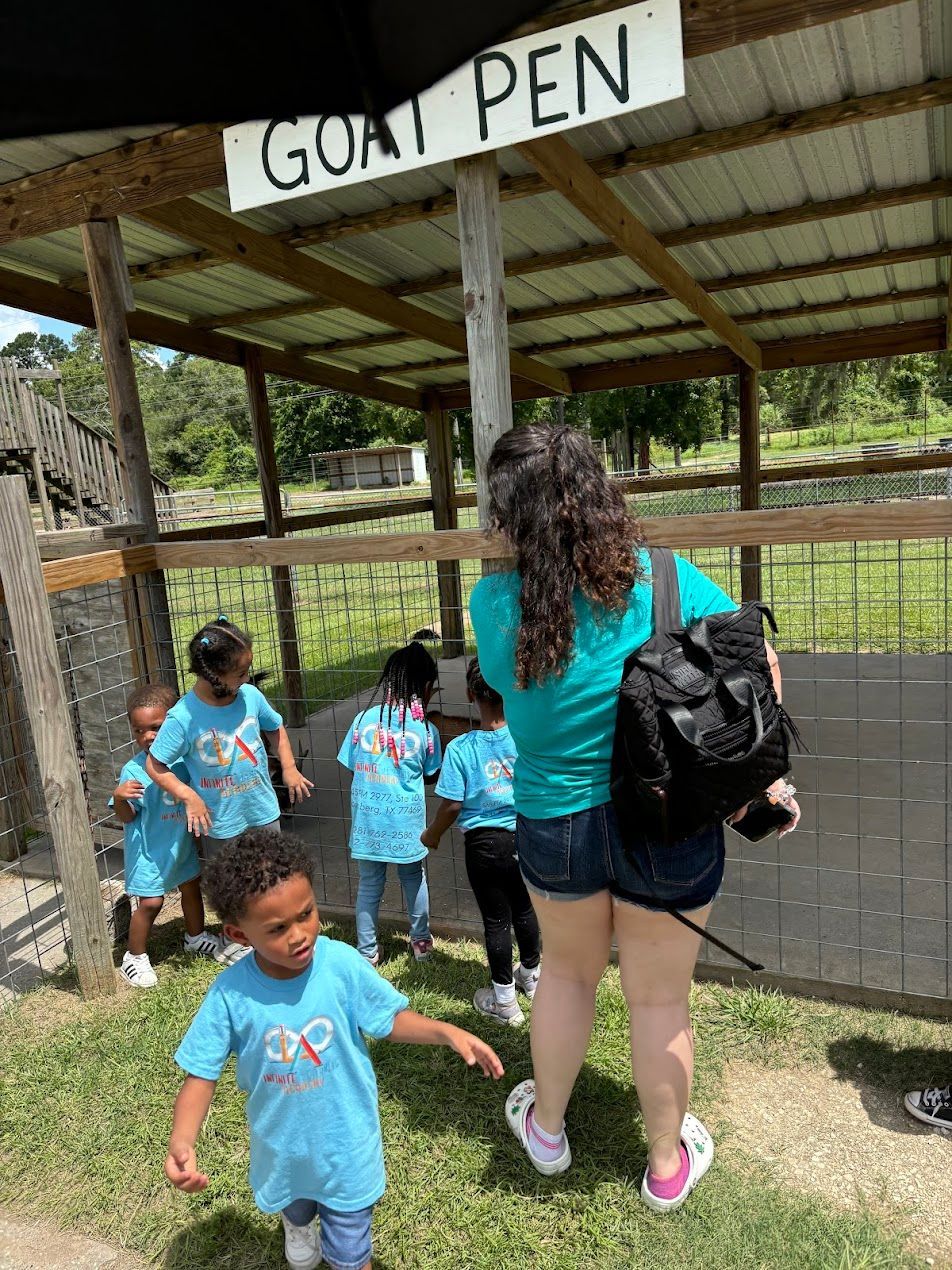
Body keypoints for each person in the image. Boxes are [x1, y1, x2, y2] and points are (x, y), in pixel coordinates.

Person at [470, 423, 800, 1212]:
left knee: (567, 978)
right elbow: (758, 661)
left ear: (511, 510)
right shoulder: (665, 576)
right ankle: (663, 1167)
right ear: (597, 490)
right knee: (659, 999)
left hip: (553, 822)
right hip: (667, 818)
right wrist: (759, 776)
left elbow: (500, 684)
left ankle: (546, 1128)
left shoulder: (493, 601)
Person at [165, 829, 503, 1270]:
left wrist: (446, 1031)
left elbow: (388, 1019)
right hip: (281, 1147)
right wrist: (182, 1140)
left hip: (347, 1145)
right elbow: (201, 1073)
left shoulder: (341, 963)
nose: (300, 934)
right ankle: (299, 1226)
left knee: (350, 1251)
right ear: (238, 934)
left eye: (306, 914)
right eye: (278, 928)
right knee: (297, 1202)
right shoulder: (231, 994)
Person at [421, 657, 541, 1026]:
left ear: (470, 694)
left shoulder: (461, 749)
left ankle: (504, 1001)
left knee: (495, 920)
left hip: (484, 846)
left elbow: (452, 805)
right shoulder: (527, 736)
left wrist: (432, 833)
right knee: (525, 909)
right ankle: (533, 979)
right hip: (525, 836)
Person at [146, 617, 312, 855]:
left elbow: (275, 729)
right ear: (213, 675)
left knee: (273, 882)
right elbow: (155, 765)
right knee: (230, 887)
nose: (246, 679)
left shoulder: (250, 696)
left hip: (263, 813)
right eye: (241, 673)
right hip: (222, 825)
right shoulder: (183, 717)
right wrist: (188, 796)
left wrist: (289, 767)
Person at [111, 683, 238, 986]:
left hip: (180, 848)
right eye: (139, 730)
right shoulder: (134, 770)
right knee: (151, 903)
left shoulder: (183, 762)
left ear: (172, 723)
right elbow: (127, 818)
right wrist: (118, 798)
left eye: (155, 728)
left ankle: (195, 938)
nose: (147, 737)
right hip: (149, 855)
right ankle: (134, 957)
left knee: (192, 889)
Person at [337, 642, 442, 964]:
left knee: (369, 885)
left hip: (368, 824)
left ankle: (367, 952)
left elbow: (352, 763)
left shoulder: (362, 721)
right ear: (427, 688)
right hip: (407, 827)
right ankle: (421, 943)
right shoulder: (426, 731)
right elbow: (431, 774)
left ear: (389, 683)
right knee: (414, 879)